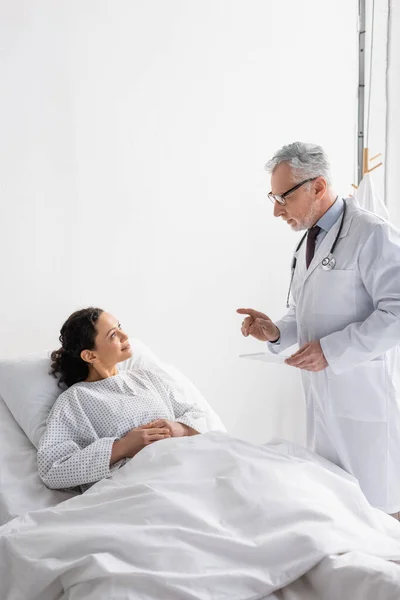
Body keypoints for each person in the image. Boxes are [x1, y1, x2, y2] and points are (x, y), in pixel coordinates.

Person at [237, 141, 400, 519]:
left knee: (381, 516)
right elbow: (306, 312)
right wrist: (275, 332)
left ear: (318, 186)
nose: (276, 210)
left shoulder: (371, 233)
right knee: (339, 515)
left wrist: (333, 350)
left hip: (364, 399)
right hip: (322, 403)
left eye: (283, 197)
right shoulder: (306, 243)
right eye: (273, 197)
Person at [38, 307, 207, 491]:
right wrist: (123, 447)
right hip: (140, 486)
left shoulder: (146, 378)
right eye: (113, 335)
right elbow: (51, 470)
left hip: (188, 466)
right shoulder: (75, 400)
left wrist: (178, 429)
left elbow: (197, 414)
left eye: (120, 327)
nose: (125, 335)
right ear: (90, 355)